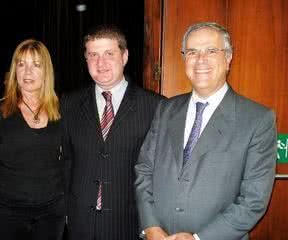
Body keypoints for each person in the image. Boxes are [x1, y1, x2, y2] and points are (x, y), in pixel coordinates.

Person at [135, 22, 277, 240]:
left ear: (228, 58)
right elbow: (144, 170)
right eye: (192, 52)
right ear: (184, 59)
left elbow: (253, 200)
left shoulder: (257, 120)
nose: (200, 60)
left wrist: (197, 238)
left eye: (211, 51)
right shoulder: (166, 109)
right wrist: (151, 227)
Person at [62, 24, 164, 240]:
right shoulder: (69, 104)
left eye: (109, 54)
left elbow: (161, 172)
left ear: (124, 56)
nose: (101, 63)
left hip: (129, 223)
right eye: (93, 55)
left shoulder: (156, 107)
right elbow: (66, 162)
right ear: (86, 59)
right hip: (80, 224)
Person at [0, 39, 65, 240]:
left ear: (46, 72)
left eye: (36, 65)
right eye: (21, 64)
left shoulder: (63, 111)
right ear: (14, 71)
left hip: (51, 215)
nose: (27, 72)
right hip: (6, 214)